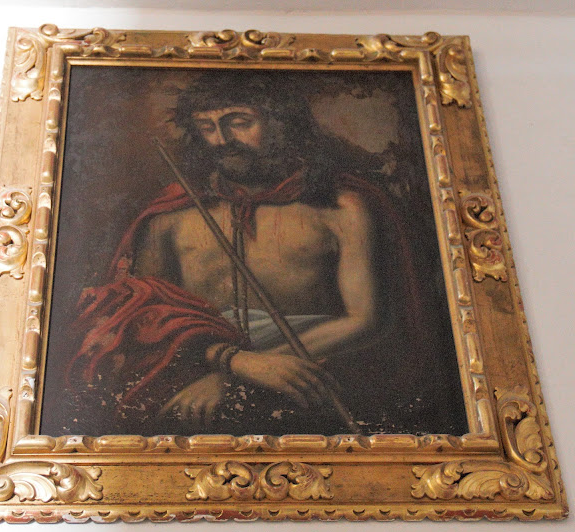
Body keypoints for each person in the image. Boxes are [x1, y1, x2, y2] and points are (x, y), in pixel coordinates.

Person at [61, 73, 429, 436]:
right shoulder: (170, 217)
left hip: (316, 372)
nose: (222, 140)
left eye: (239, 123)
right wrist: (233, 363)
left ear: (281, 123)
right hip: (194, 377)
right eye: (207, 127)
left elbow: (365, 320)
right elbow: (140, 318)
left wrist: (242, 373)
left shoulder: (342, 208)